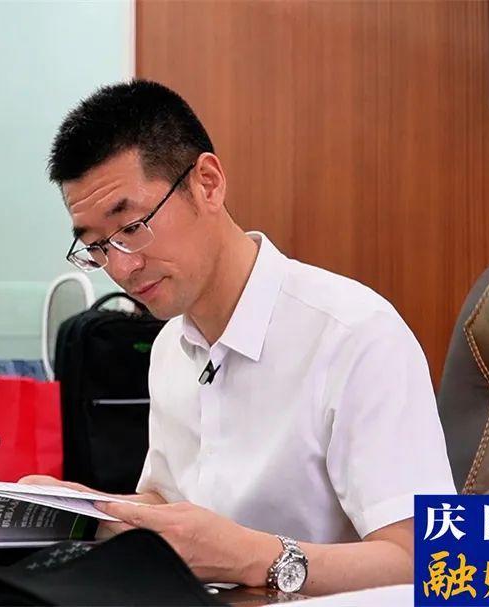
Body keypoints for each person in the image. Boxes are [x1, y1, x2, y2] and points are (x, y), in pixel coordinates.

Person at [23, 80, 455, 595]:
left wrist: (254, 558)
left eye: (132, 227)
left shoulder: (355, 334)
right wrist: (84, 507)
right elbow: (175, 509)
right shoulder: (170, 346)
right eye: (96, 247)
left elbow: (438, 561)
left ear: (207, 183)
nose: (121, 268)